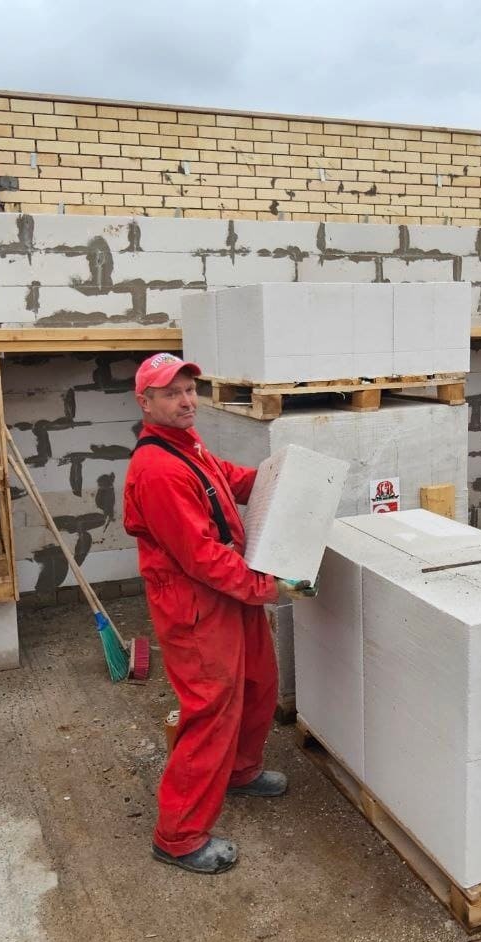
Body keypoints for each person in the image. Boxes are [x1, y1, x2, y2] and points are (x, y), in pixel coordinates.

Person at [123, 352, 313, 875]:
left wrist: (285, 480)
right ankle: (178, 835)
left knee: (258, 682)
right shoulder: (158, 470)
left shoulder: (187, 445)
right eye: (171, 393)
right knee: (211, 709)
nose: (187, 401)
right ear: (145, 402)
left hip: (229, 590)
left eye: (190, 390)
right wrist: (269, 586)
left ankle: (240, 771)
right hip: (196, 604)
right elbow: (202, 557)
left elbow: (228, 480)